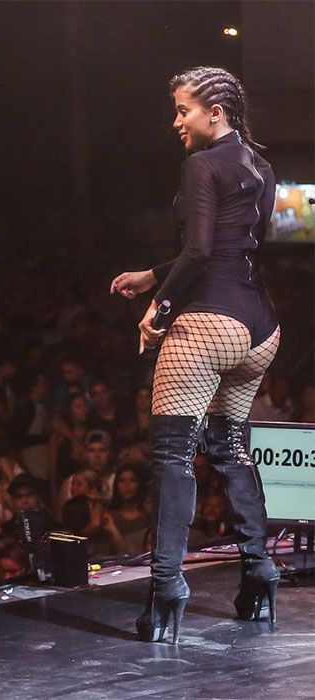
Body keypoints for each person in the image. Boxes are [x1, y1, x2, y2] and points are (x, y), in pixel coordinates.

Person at [110, 67, 281, 643]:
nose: (176, 121)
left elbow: (202, 250)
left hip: (208, 323)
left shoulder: (201, 164)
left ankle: (165, 592)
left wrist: (159, 308)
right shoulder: (260, 165)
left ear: (215, 110)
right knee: (230, 448)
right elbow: (236, 248)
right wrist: (151, 275)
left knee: (172, 456)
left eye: (183, 109)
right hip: (260, 328)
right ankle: (259, 573)